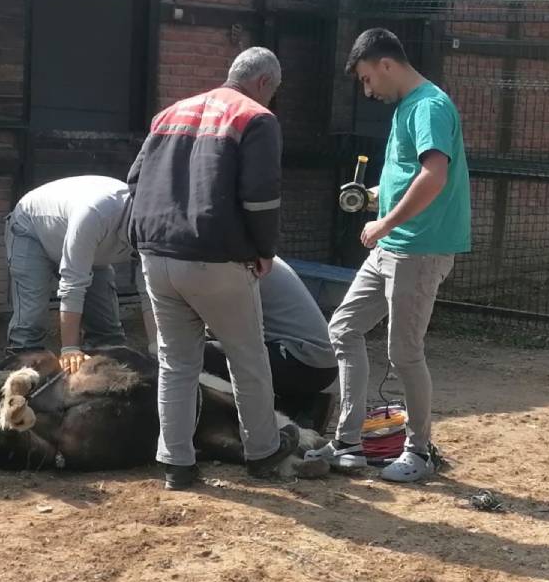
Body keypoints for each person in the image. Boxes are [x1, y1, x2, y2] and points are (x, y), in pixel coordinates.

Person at [127, 46, 299, 490]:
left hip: (157, 255)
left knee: (176, 363)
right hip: (217, 258)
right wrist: (264, 249)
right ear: (264, 82)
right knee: (247, 358)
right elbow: (261, 196)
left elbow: (135, 180)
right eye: (274, 91)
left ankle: (176, 463)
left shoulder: (169, 115)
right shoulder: (256, 118)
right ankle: (263, 451)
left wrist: (141, 239)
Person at [306, 28, 471, 483]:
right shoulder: (406, 107)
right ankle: (348, 443)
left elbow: (434, 176)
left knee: (404, 353)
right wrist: (372, 197)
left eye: (366, 78)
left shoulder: (430, 106)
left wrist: (385, 223)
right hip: (393, 247)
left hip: (418, 249)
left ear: (386, 64)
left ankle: (418, 452)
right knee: (343, 328)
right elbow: (408, 176)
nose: (367, 90)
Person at [4, 175, 156, 373]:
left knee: (106, 329)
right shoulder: (95, 213)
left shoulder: (156, 227)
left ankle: (101, 380)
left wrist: (157, 347)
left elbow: (151, 292)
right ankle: (16, 377)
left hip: (90, 246)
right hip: (32, 230)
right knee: (31, 319)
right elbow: (73, 284)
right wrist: (70, 349)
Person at [201, 256, 337, 432]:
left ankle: (236, 423)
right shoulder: (245, 254)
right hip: (315, 360)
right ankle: (303, 405)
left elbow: (230, 333)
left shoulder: (233, 264)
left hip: (304, 360)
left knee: (199, 355)